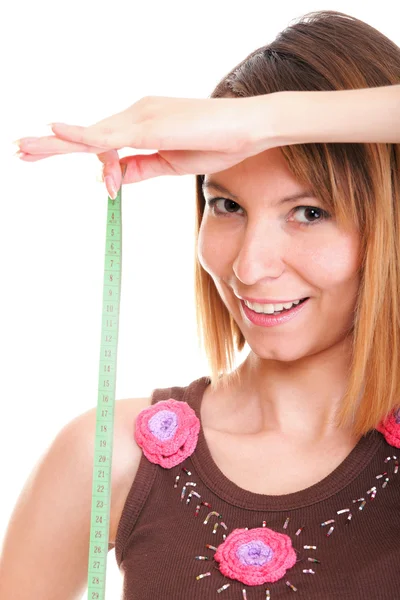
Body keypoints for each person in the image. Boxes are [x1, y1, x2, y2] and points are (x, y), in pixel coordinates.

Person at [3, 8, 400, 600]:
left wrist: (261, 123)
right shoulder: (107, 459)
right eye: (227, 206)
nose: (248, 266)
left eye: (309, 212)